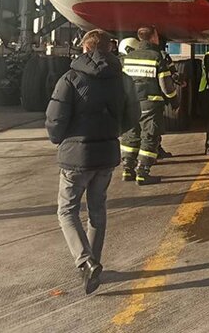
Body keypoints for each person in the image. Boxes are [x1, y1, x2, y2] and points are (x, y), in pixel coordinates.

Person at [46, 28, 139, 294]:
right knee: (97, 210)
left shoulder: (71, 78)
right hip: (107, 154)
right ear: (111, 49)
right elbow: (133, 115)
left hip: (76, 157)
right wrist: (112, 133)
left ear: (85, 48)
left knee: (67, 210)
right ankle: (93, 267)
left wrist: (60, 140)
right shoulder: (122, 79)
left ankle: (86, 262)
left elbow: (55, 119)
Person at [118, 26, 178, 185]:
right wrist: (174, 101)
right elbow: (166, 85)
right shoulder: (156, 56)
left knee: (130, 134)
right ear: (153, 38)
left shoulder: (127, 58)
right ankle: (143, 172)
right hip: (150, 104)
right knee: (150, 136)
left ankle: (127, 169)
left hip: (131, 104)